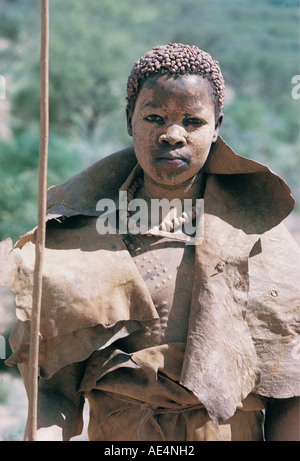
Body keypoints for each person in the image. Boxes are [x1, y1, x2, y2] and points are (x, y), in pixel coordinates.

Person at [1, 43, 299, 441]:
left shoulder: (260, 235)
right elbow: (54, 392)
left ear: (217, 127)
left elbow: (290, 390)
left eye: (192, 121)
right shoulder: (78, 235)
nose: (172, 135)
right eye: (154, 117)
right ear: (130, 120)